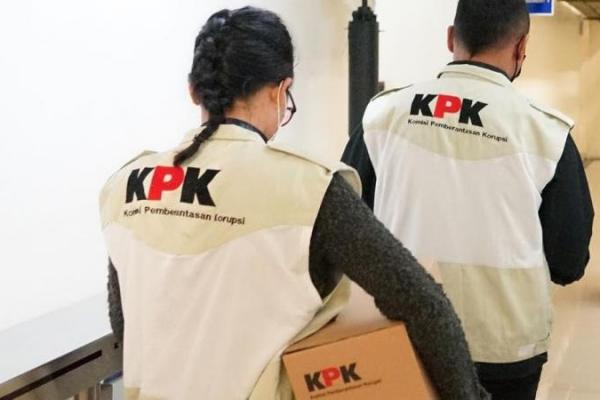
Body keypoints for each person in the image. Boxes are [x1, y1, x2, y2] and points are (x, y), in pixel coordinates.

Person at [101, 6, 488, 400]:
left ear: (193, 91)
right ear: (279, 90)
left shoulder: (124, 186)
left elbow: (125, 322)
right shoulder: (309, 187)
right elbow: (422, 304)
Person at [342, 1, 594, 399]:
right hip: (506, 350)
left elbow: (347, 224)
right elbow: (568, 261)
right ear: (521, 47)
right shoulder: (547, 133)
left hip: (405, 338)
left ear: (450, 38)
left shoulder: (383, 115)